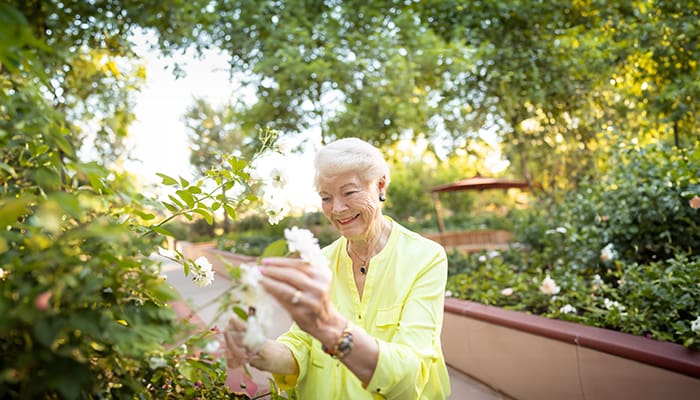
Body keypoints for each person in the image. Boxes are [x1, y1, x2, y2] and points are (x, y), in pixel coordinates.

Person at [224, 137, 451, 399]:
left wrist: (330, 329)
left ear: (380, 185)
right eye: (326, 197)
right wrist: (260, 350)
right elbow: (302, 346)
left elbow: (411, 375)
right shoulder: (319, 261)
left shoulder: (425, 257)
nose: (338, 209)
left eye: (350, 192)